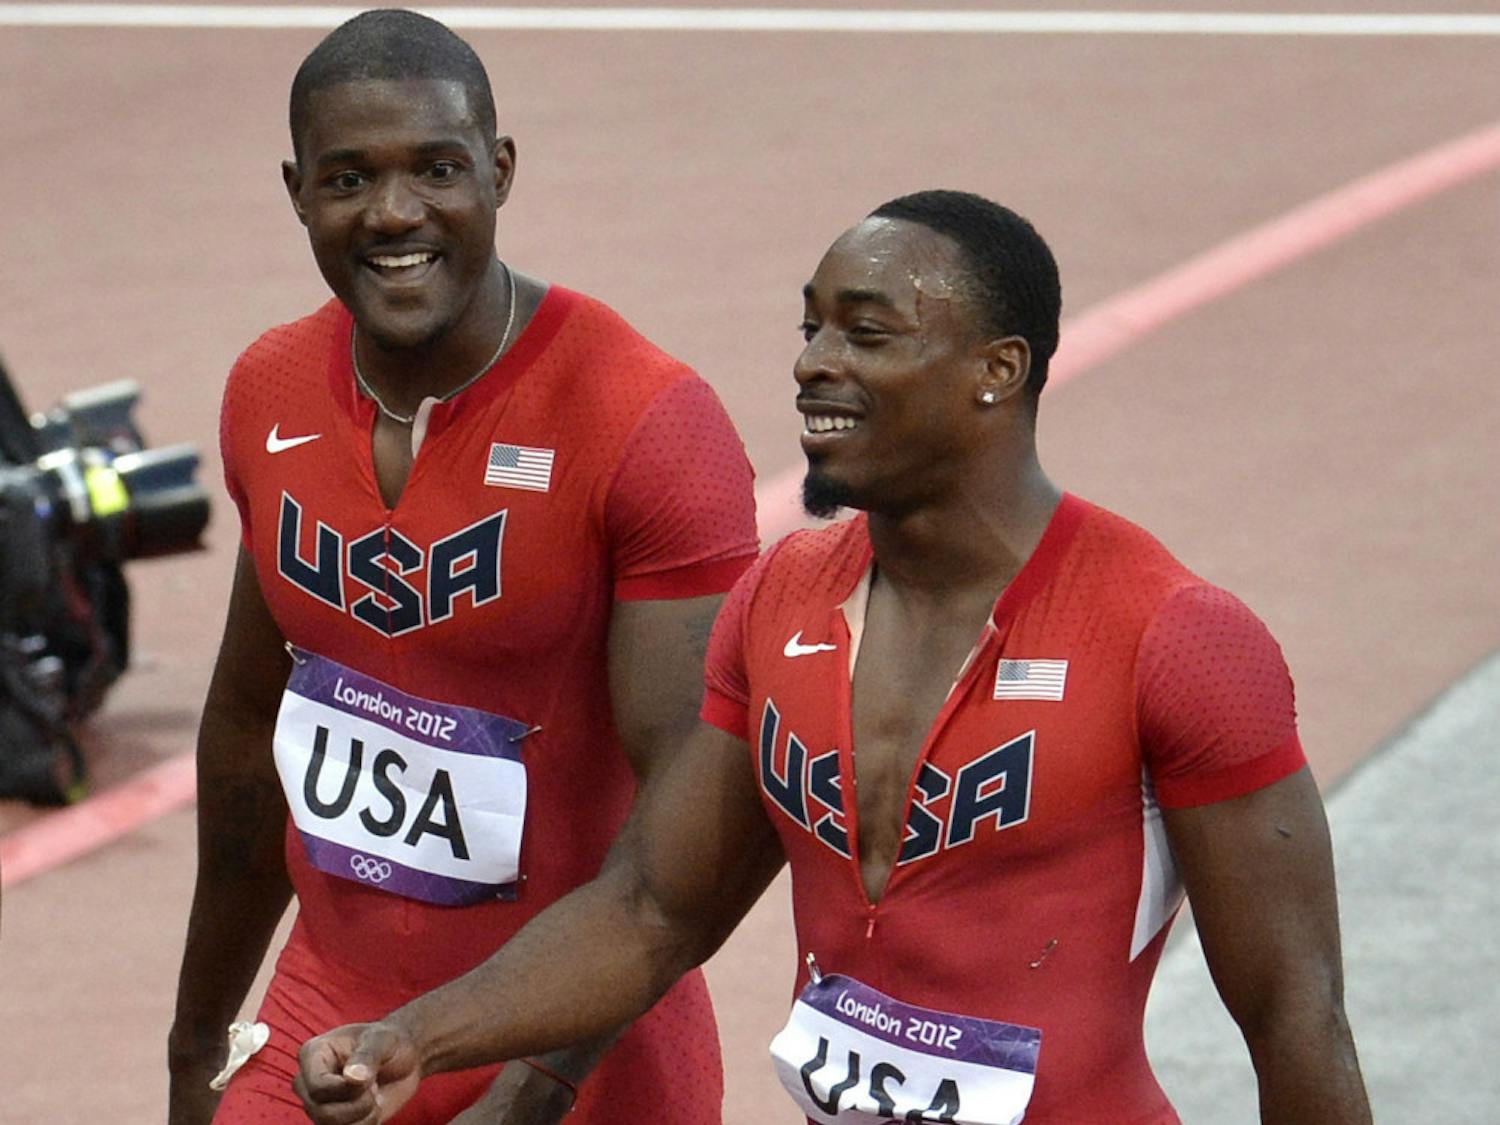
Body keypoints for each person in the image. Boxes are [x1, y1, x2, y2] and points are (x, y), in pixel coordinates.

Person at [293, 190, 1372, 1124]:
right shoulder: (782, 598)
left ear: (997, 370)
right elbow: (653, 913)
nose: (815, 364)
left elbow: (1294, 1012)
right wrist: (418, 1038)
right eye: (812, 329)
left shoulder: (1173, 638)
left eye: (868, 334)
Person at [165, 9, 759, 1123]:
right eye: (348, 178)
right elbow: (249, 730)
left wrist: (535, 1091)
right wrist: (197, 1039)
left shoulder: (643, 421)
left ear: (499, 170)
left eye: (436, 170)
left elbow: (695, 829)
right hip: (325, 1022)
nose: (394, 214)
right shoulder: (270, 391)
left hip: (574, 1049)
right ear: (296, 190)